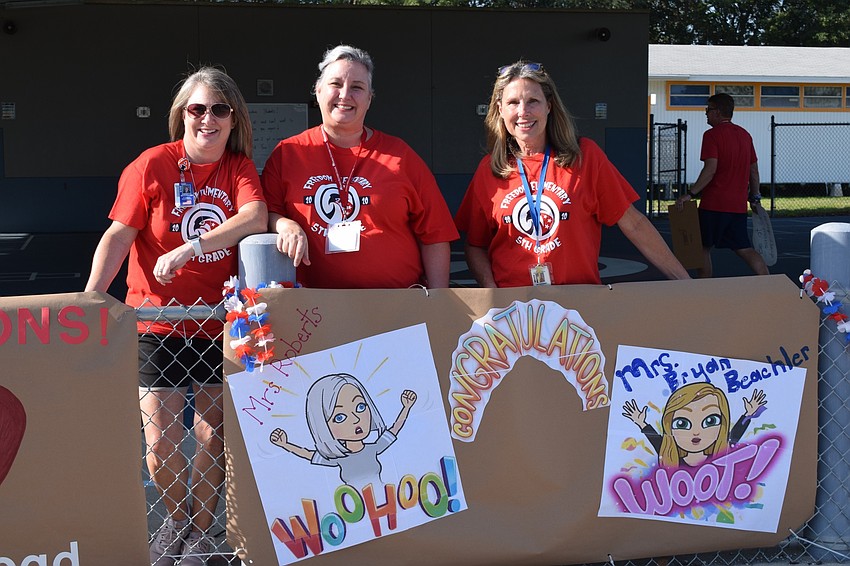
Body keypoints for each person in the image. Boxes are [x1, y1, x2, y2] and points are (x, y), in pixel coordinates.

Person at [84, 67, 268, 566]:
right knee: (161, 445)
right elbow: (119, 236)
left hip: (219, 326)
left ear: (234, 119)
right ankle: (179, 519)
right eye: (197, 109)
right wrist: (89, 301)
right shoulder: (151, 165)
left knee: (213, 436)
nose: (208, 119)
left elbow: (255, 217)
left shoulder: (239, 169)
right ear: (180, 115)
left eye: (219, 110)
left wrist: (194, 245)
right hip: (157, 325)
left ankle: (200, 538)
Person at [455, 61, 689, 287]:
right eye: (513, 102)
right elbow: (475, 245)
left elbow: (634, 224)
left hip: (577, 307)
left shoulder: (585, 157)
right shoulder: (490, 169)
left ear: (549, 106)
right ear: (500, 110)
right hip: (516, 313)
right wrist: (492, 290)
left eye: (533, 101)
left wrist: (685, 282)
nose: (523, 112)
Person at [261, 44, 458, 289]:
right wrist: (284, 224)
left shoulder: (400, 156)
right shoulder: (288, 153)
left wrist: (438, 302)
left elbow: (435, 234)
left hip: (396, 308)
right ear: (318, 90)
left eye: (357, 87)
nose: (345, 95)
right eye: (336, 84)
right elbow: (264, 212)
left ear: (369, 99)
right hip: (313, 310)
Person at [675, 92, 769, 278]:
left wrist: (690, 194)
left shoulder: (711, 135)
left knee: (702, 248)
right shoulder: (745, 135)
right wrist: (755, 197)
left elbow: (710, 169)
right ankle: (768, 282)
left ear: (717, 112)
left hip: (714, 204)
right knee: (744, 248)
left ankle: (704, 290)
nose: (706, 114)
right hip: (737, 206)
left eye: (708, 110)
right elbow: (754, 171)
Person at [269, 373, 417, 488]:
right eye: (339, 417)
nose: (355, 419)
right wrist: (285, 444)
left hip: (384, 499)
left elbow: (394, 429)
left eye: (360, 407)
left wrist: (406, 407)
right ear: (323, 426)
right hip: (353, 508)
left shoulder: (373, 449)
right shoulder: (339, 459)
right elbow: (308, 454)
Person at [622, 383, 767, 468]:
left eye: (710, 421)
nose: (696, 432)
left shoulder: (720, 455)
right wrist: (641, 423)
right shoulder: (670, 455)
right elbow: (658, 442)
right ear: (669, 424)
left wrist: (748, 415)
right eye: (682, 423)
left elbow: (732, 438)